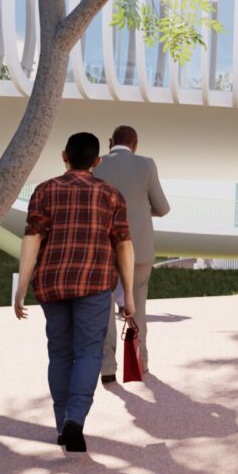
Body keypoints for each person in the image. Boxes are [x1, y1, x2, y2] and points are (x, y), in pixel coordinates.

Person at [13, 131, 136, 453]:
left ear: (64, 156)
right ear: (97, 162)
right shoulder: (111, 195)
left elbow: (32, 240)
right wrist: (130, 297)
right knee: (88, 353)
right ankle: (75, 420)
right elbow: (123, 245)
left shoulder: (44, 191)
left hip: (51, 283)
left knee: (60, 354)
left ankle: (60, 426)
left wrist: (21, 287)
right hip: (95, 284)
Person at [92, 124, 171, 385]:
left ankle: (107, 367)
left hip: (103, 251)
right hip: (138, 250)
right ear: (135, 145)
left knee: (103, 309)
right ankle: (139, 362)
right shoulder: (146, 165)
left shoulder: (96, 164)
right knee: (137, 307)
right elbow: (162, 207)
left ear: (109, 141)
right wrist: (140, 210)